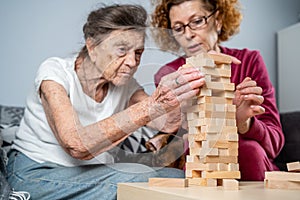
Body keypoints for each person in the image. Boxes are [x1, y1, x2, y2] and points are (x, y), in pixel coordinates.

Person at [6, 4, 206, 200]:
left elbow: (165, 122)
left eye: (138, 53)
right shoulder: (54, 73)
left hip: (90, 173)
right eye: (122, 50)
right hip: (37, 172)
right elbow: (76, 145)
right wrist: (151, 105)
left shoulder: (126, 85)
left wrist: (180, 92)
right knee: (139, 181)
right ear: (92, 46)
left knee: (176, 178)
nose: (132, 62)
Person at [151, 0, 284, 181]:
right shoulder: (170, 74)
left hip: (255, 167)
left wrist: (244, 123)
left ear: (218, 20)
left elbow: (274, 145)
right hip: (203, 173)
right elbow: (183, 145)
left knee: (247, 150)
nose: (188, 34)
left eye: (197, 21)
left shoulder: (249, 61)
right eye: (178, 28)